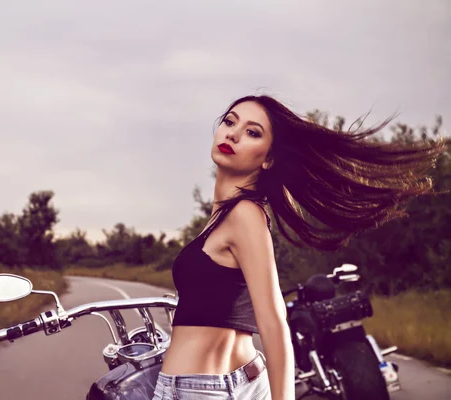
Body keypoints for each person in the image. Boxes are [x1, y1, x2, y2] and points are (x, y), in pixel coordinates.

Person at [151, 95, 445, 400]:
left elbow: (274, 321)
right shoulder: (223, 218)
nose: (233, 134)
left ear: (269, 158)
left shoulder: (244, 215)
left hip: (198, 390)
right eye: (229, 121)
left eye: (253, 132)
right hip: (216, 384)